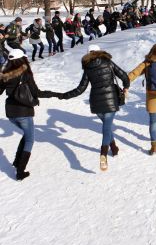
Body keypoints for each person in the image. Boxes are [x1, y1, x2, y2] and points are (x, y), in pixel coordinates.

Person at [55, 44, 130, 171]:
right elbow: (124, 76)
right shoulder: (108, 62)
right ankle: (103, 154)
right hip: (111, 101)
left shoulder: (88, 68)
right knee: (106, 128)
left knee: (107, 126)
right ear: (99, 51)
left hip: (96, 103)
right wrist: (126, 87)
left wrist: (64, 96)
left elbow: (80, 89)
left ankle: (114, 148)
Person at [0, 49, 54, 180]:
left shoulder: (5, 74)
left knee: (26, 134)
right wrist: (54, 94)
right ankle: (20, 172)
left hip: (10, 112)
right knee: (30, 139)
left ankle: (17, 161)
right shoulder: (26, 73)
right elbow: (36, 92)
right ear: (22, 59)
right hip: (23, 111)